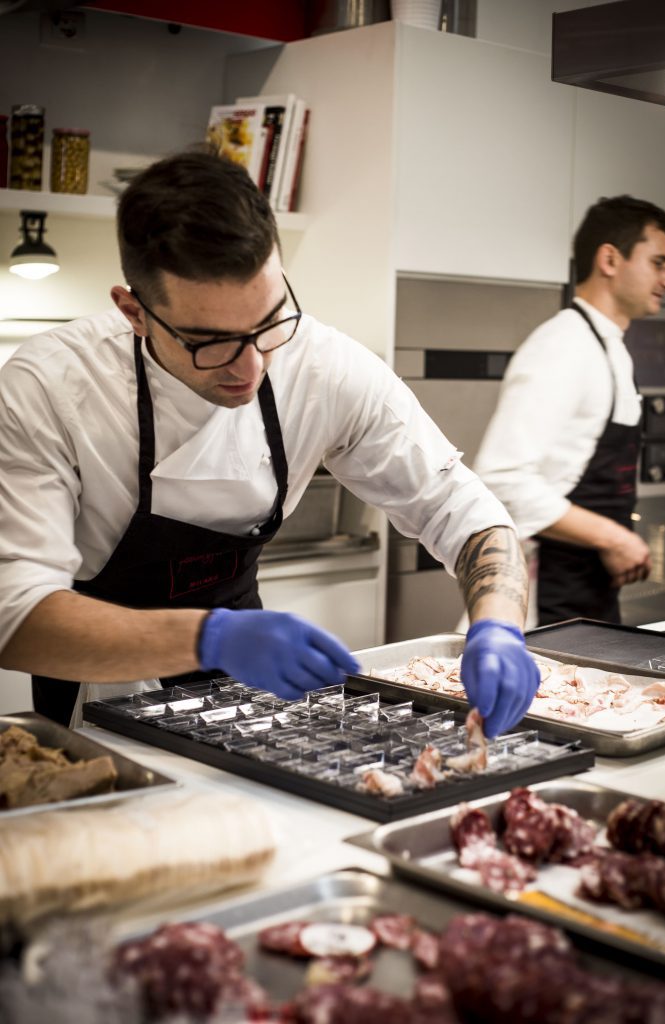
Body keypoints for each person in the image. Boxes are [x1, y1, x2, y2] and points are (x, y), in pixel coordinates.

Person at [0, 150, 538, 737]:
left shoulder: (324, 366)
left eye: (269, 322)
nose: (251, 365)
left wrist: (500, 627)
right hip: (94, 699)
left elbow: (462, 510)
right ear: (135, 313)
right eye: (211, 342)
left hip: (251, 702)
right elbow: (16, 615)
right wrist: (212, 638)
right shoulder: (48, 387)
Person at [474, 195, 665, 627]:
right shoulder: (563, 346)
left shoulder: (608, 349)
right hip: (550, 590)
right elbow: (502, 479)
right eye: (658, 263)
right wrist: (614, 536)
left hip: (591, 588)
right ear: (610, 259)